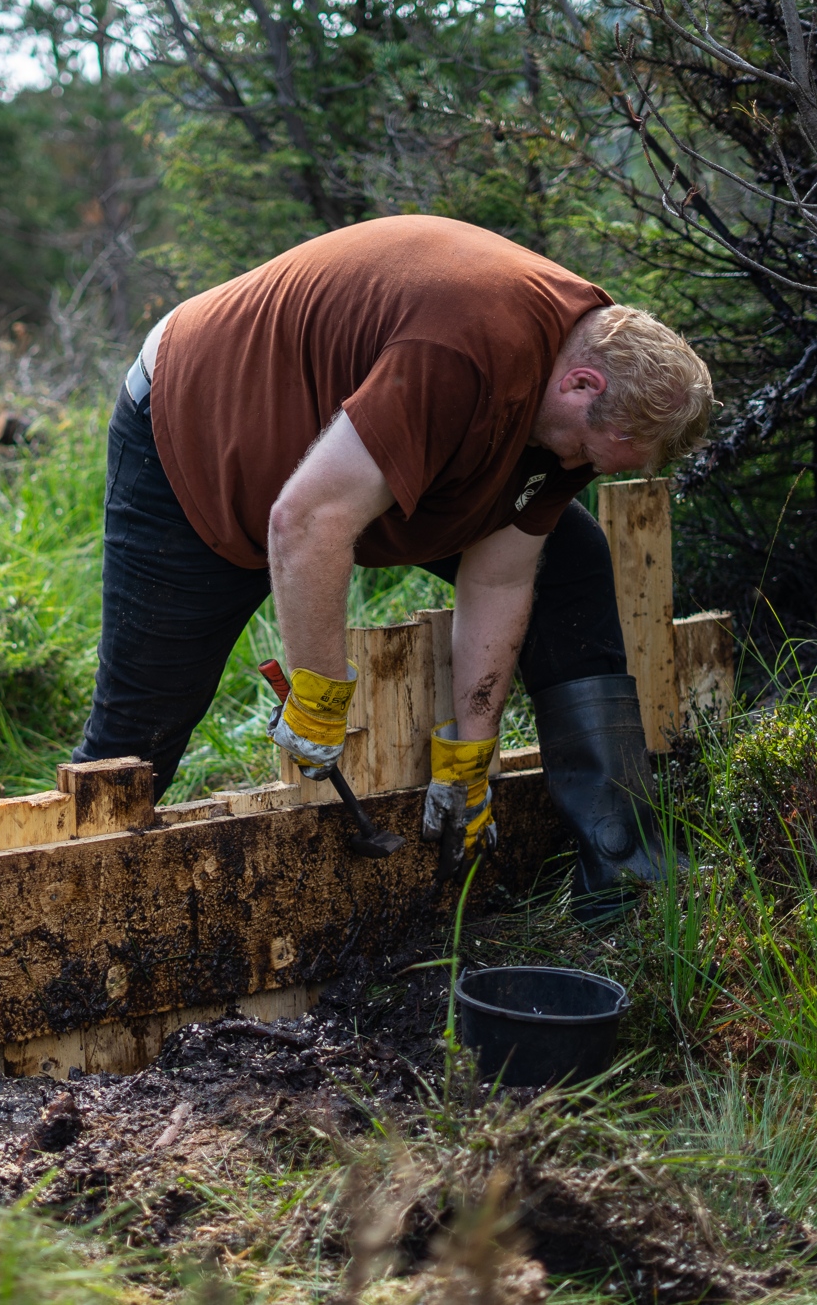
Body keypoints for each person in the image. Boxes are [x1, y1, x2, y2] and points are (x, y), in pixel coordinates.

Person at [72, 216, 712, 898]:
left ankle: (621, 872)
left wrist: (471, 751)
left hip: (345, 464)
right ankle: (69, 898)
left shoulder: (583, 387)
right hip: (204, 434)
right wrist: (318, 698)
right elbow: (307, 521)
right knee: (139, 733)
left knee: (570, 559)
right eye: (584, 453)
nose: (573, 466)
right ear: (580, 385)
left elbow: (500, 574)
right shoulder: (465, 348)